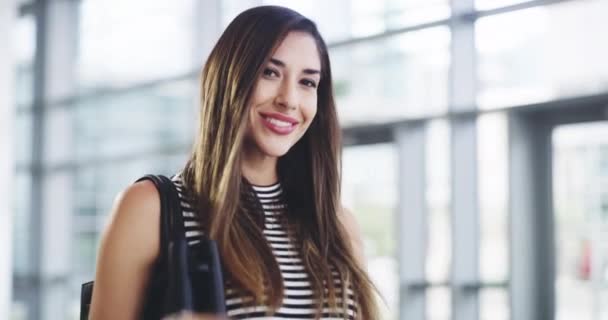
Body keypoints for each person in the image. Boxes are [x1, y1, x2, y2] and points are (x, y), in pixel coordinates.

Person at [89, 5, 381, 320]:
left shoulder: (337, 225)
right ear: (230, 79)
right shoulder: (150, 208)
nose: (289, 99)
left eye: (307, 82)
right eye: (270, 72)